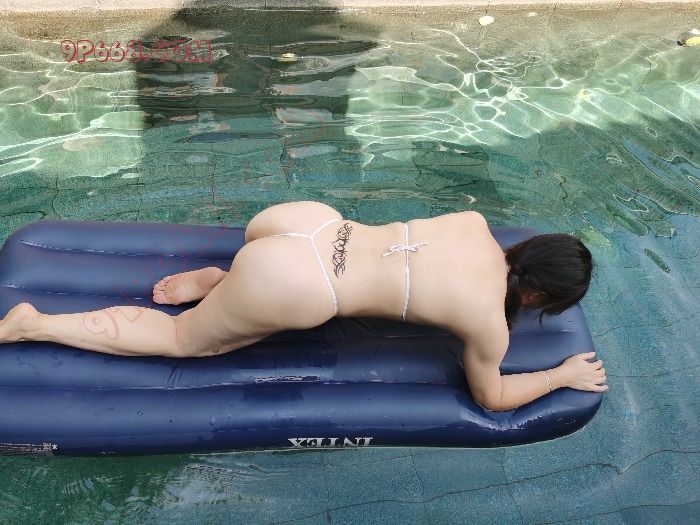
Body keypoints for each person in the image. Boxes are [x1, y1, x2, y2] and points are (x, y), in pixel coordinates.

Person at [0, 200, 606, 412]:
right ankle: (34, 324)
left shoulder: (471, 223)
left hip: (304, 224)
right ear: (537, 297)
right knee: (182, 340)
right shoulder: (489, 324)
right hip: (296, 282)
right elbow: (491, 397)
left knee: (274, 268)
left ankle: (222, 280)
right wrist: (562, 375)